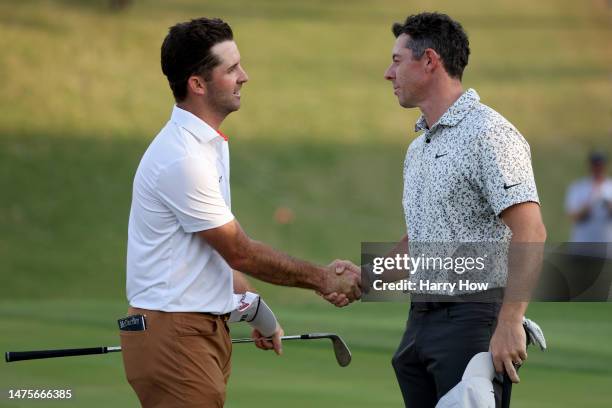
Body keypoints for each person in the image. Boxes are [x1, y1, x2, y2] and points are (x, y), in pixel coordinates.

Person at [120, 17, 360, 408]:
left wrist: (257, 311)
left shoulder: (210, 145)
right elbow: (239, 251)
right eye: (231, 69)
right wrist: (323, 279)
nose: (244, 76)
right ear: (197, 84)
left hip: (196, 330)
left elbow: (210, 252)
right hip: (175, 332)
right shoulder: (184, 158)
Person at [382, 12, 547, 407]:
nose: (388, 73)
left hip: (473, 321)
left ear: (429, 61)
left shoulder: (490, 134)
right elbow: (422, 243)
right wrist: (369, 277)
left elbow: (531, 231)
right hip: (419, 322)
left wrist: (509, 322)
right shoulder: (418, 148)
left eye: (397, 60)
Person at [565, 151, 612, 243]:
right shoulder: (578, 187)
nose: (598, 168)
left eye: (600, 165)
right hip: (583, 244)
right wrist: (587, 207)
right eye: (595, 165)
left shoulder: (610, 187)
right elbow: (572, 216)